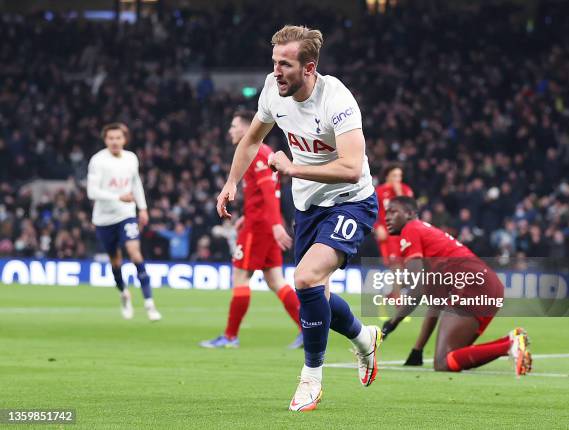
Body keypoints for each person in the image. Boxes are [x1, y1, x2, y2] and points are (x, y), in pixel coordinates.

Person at [216, 26, 382, 412]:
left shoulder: (337, 100)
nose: (276, 71)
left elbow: (352, 168)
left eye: (285, 64)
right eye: (274, 62)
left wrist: (293, 168)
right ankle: (363, 339)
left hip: (350, 202)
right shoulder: (273, 90)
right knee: (316, 294)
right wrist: (230, 183)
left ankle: (311, 378)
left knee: (305, 278)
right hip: (307, 206)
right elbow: (253, 139)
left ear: (309, 68)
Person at [381, 196, 531, 376]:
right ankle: (512, 341)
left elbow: (417, 288)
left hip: (471, 285)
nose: (388, 217)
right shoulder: (430, 241)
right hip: (489, 286)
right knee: (454, 357)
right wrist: (417, 350)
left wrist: (391, 324)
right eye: (386, 213)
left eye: (393, 211)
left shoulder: (411, 229)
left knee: (443, 362)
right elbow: (434, 306)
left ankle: (510, 345)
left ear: (411, 214)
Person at [201, 110, 302, 349]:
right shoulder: (261, 153)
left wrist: (276, 224)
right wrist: (246, 215)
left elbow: (269, 193)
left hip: (259, 227)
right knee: (275, 279)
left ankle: (229, 336)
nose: (230, 130)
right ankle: (307, 329)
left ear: (247, 128)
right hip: (259, 221)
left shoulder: (257, 152)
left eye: (234, 126)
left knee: (240, 277)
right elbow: (261, 193)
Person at [87, 123, 162, 321]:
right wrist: (118, 196)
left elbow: (135, 183)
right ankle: (124, 294)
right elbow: (92, 191)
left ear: (124, 139)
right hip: (103, 219)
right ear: (105, 140)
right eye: (110, 138)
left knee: (135, 253)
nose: (114, 141)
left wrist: (143, 208)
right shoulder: (98, 161)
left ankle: (149, 304)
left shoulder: (131, 158)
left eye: (118, 138)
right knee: (115, 261)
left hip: (126, 214)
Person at [374, 164, 414, 265]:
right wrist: (377, 227)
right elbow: (373, 211)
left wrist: (398, 193)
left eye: (399, 176)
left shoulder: (406, 190)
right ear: (387, 176)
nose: (398, 179)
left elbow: (410, 210)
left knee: (407, 263)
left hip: (404, 233)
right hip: (387, 234)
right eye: (394, 175)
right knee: (392, 265)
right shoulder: (379, 191)